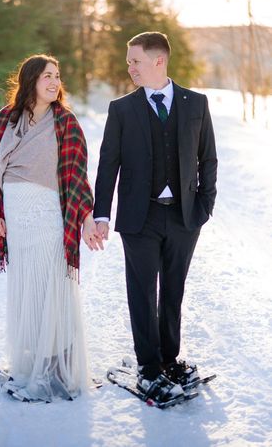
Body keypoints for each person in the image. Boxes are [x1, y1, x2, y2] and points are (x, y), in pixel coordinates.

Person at [94, 32, 217, 404]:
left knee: (173, 291)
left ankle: (169, 357)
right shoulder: (122, 109)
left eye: (135, 61)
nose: (129, 67)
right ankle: (148, 366)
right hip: (139, 217)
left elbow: (207, 157)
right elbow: (107, 165)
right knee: (143, 293)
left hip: (184, 217)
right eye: (129, 61)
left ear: (158, 60)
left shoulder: (195, 103)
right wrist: (101, 213)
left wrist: (204, 205)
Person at [0, 54, 102, 402]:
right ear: (30, 79)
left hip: (48, 216)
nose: (54, 82)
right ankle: (30, 364)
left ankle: (56, 369)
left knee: (51, 288)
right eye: (47, 75)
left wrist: (86, 218)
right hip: (15, 218)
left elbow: (77, 175)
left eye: (57, 76)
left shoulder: (66, 122)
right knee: (26, 288)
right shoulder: (5, 119)